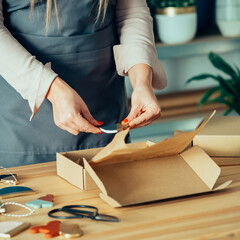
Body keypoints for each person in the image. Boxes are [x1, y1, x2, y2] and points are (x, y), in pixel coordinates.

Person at [0, 0, 167, 167]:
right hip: (22, 127)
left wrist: (141, 82)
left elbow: (131, 12)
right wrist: (54, 91)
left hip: (104, 109)